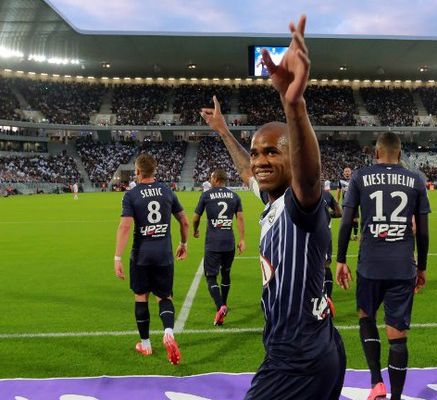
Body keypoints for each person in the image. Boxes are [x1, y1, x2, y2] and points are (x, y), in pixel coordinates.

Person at [200, 15, 345, 400]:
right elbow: (247, 170)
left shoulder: (302, 205)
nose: (260, 160)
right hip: (320, 344)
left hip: (296, 359)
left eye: (271, 152)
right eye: (257, 152)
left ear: (292, 159)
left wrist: (293, 104)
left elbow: (310, 178)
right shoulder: (273, 203)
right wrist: (224, 132)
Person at [336, 132, 431, 400]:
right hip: (402, 266)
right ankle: (397, 398)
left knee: (366, 316)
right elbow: (423, 233)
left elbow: (345, 223)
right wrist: (421, 267)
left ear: (376, 153)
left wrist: (341, 259)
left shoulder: (359, 176)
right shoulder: (415, 180)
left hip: (370, 265)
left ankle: (376, 381)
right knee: (397, 335)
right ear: (399, 155)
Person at [113, 153, 189, 365]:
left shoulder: (131, 195)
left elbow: (125, 226)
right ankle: (168, 333)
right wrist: (183, 244)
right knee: (164, 297)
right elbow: (184, 221)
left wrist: (117, 257)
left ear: (137, 172)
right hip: (164, 254)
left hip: (141, 255)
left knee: (141, 296)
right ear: (154, 170)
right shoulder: (167, 191)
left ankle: (145, 344)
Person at [193, 169, 246, 326]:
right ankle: (224, 302)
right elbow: (240, 219)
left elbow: (196, 217)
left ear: (215, 179)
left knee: (210, 276)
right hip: (229, 242)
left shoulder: (206, 195)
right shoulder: (235, 196)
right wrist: (242, 239)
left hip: (213, 243)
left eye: (211, 178)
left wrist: (195, 229)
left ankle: (220, 306)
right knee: (226, 273)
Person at [323, 181, 342, 316]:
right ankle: (328, 297)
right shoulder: (326, 196)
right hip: (324, 235)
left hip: (304, 236)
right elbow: (339, 212)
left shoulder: (298, 194)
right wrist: (327, 215)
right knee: (325, 265)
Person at [338, 167, 360, 240]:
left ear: (351, 172)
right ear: (343, 173)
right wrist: (337, 201)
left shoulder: (354, 180)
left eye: (348, 171)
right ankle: (348, 236)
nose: (347, 172)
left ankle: (355, 235)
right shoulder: (341, 181)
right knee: (346, 221)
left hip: (354, 203)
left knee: (355, 219)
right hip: (345, 204)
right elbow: (339, 191)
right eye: (346, 171)